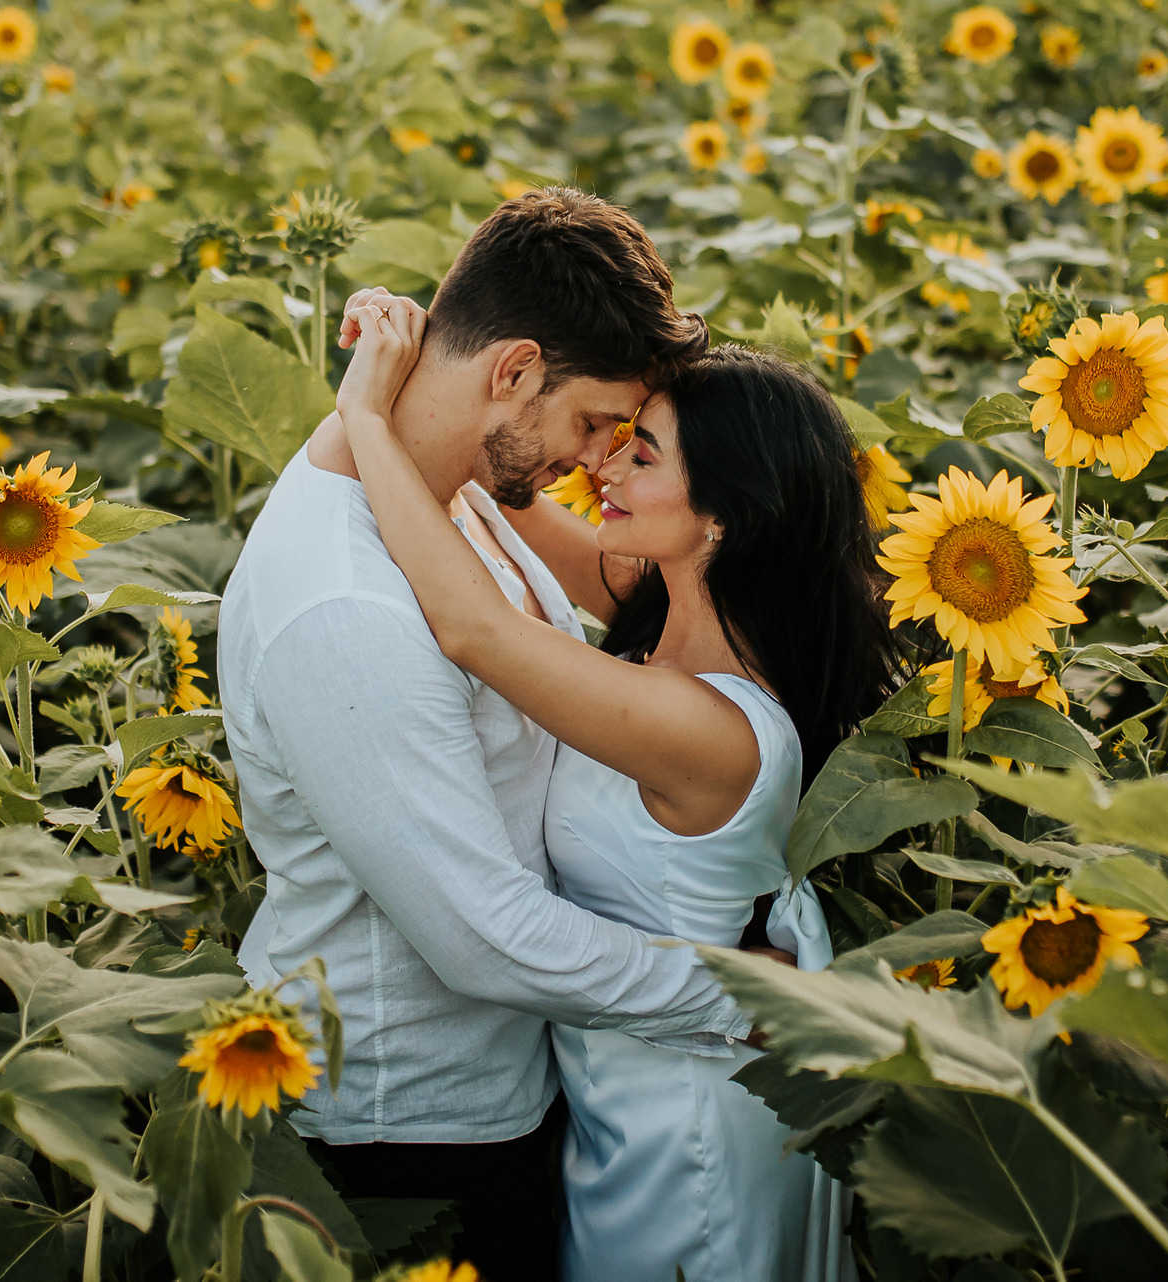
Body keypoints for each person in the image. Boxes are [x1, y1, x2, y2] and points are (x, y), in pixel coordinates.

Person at [217, 188, 777, 1280]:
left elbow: (614, 607)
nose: (588, 459)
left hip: (509, 1092)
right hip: (404, 1134)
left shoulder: (453, 495)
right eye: (586, 425)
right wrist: (740, 993)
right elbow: (479, 934)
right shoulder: (344, 601)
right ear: (512, 370)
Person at [333, 289, 901, 1281]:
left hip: (694, 1125)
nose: (603, 466)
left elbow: (476, 629)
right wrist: (433, 347)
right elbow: (496, 482)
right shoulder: (660, 603)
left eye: (643, 456)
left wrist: (366, 417)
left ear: (723, 517)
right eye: (617, 440)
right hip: (622, 1087)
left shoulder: (711, 727)